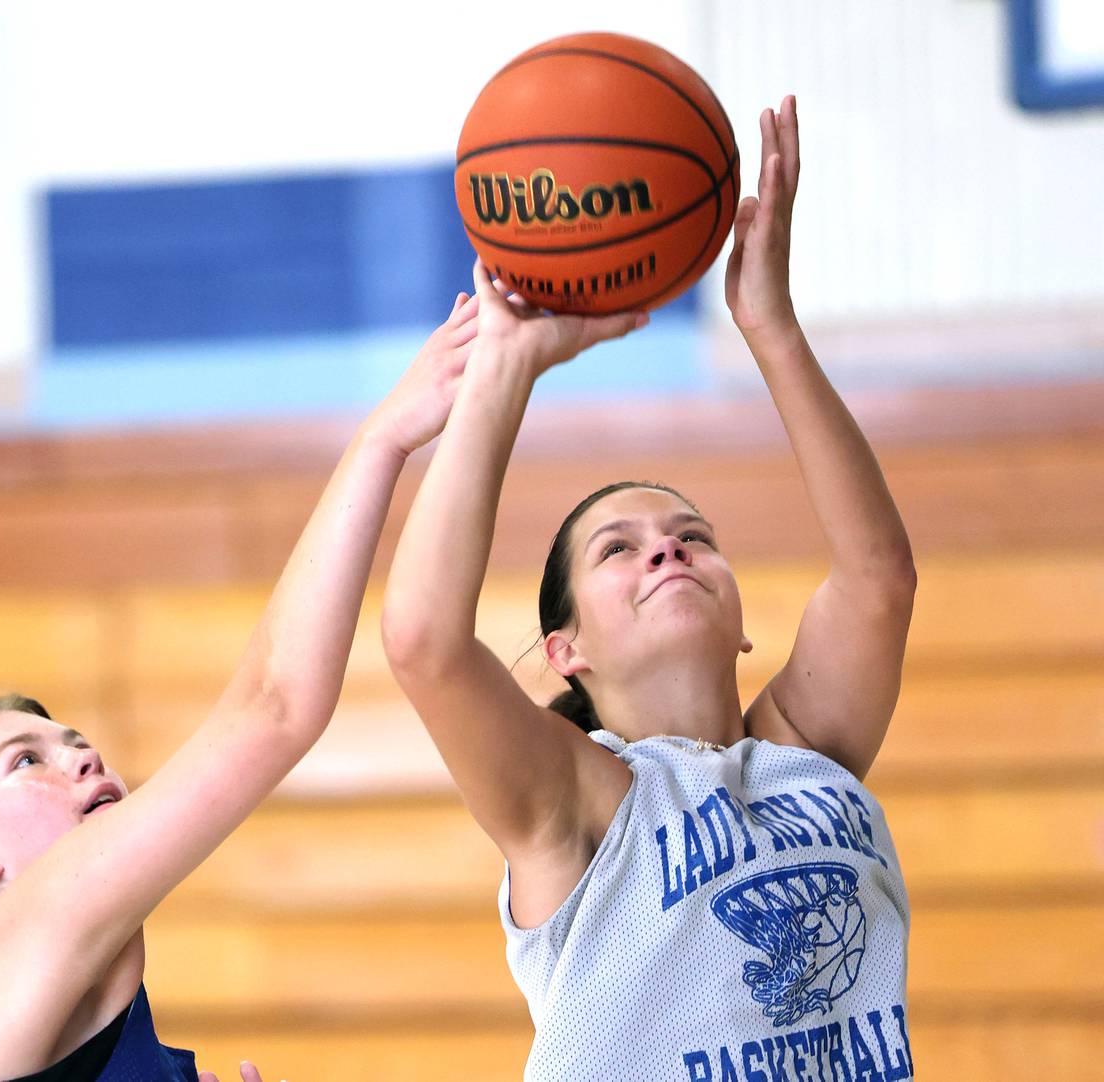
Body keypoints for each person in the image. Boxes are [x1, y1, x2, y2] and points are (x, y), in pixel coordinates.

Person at [381, 97, 918, 1080]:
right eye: (617, 549)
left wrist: (772, 330)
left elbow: (879, 575)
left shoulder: (810, 756)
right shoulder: (575, 797)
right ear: (565, 649)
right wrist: (504, 368)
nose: (666, 551)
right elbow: (422, 637)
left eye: (692, 536)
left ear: (744, 623)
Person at [0, 292, 481, 1082]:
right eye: (27, 761)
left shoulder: (83, 1020)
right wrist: (386, 436)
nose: (82, 756)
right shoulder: (3, 943)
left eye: (71, 742)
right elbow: (274, 703)